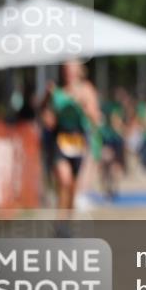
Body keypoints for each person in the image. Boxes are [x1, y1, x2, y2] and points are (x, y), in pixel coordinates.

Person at [40, 60, 102, 213]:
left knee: (72, 186)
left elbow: (96, 119)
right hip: (60, 138)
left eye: (72, 69)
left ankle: (66, 223)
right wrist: (47, 99)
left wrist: (82, 104)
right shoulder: (57, 90)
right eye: (66, 69)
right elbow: (47, 120)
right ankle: (60, 224)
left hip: (78, 140)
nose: (69, 72)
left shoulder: (86, 89)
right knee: (64, 180)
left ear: (79, 71)